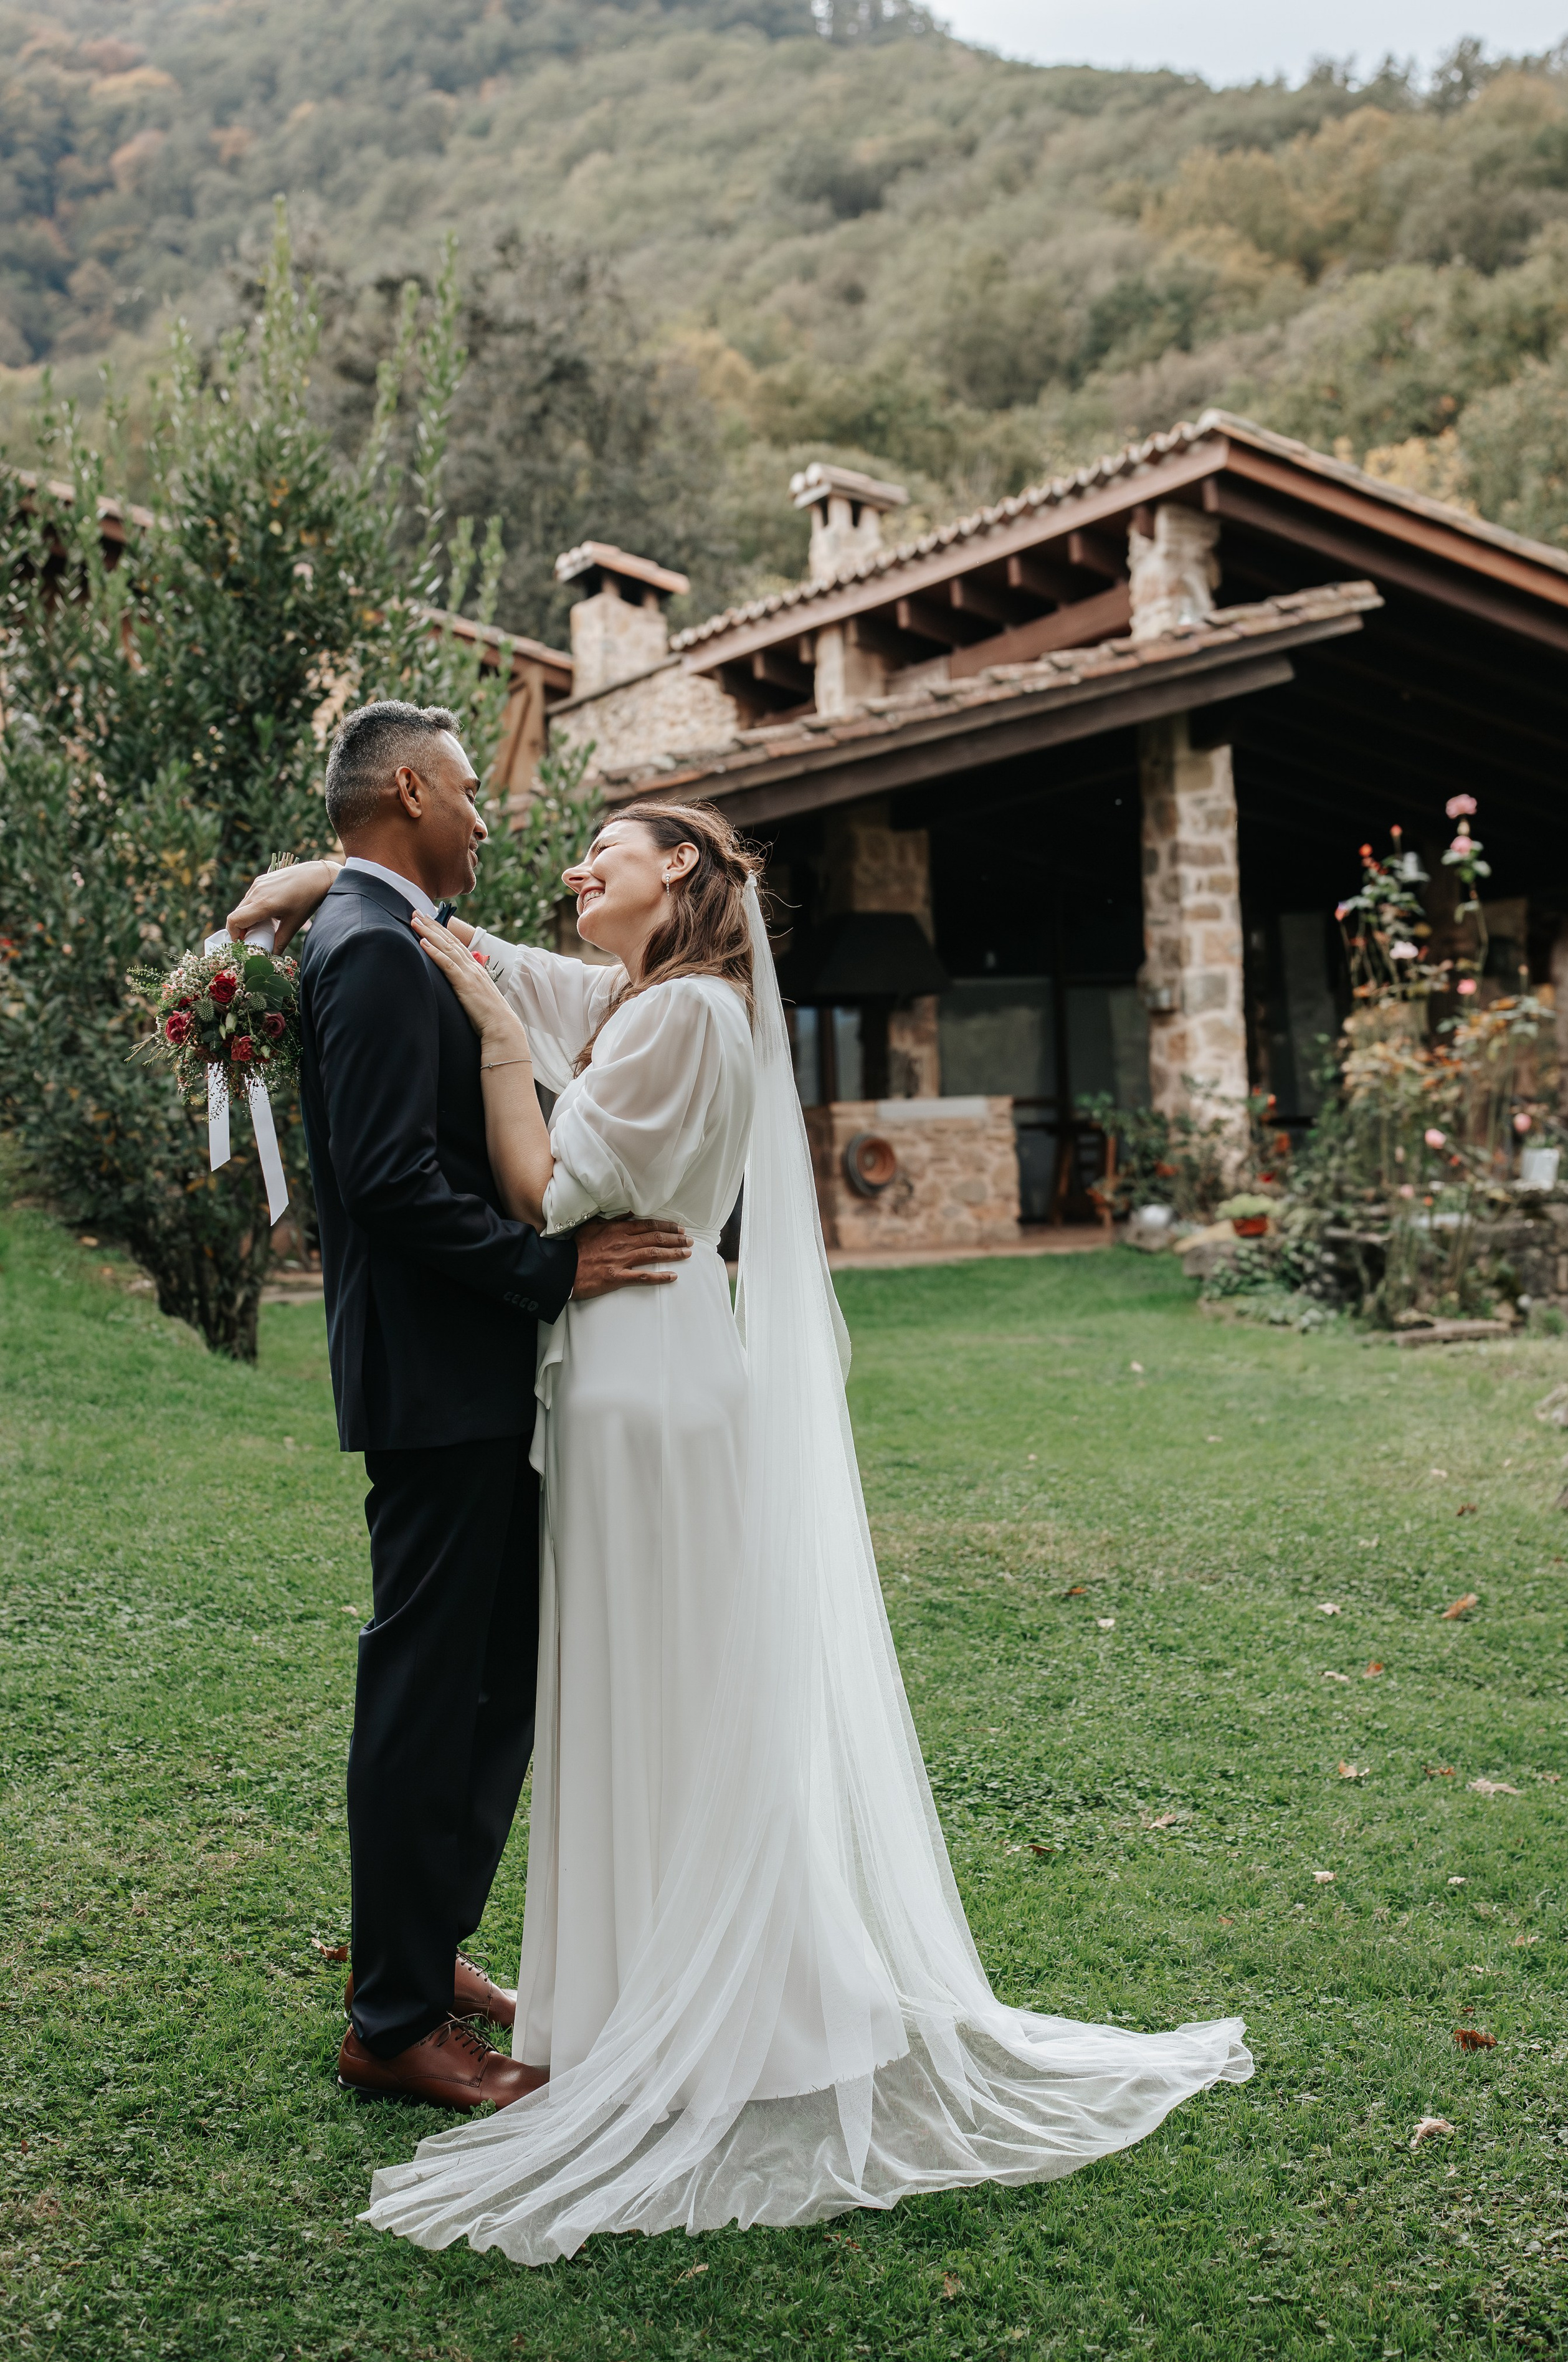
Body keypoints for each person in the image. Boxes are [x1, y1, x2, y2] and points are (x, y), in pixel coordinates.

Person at [237, 791, 1252, 2267]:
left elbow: (546, 1190)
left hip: (642, 1382)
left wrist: (511, 1058)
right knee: (650, 1675)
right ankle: (651, 1970)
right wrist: (330, 873)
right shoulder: (645, 997)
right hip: (632, 1373)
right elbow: (476, 946)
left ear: (685, 874)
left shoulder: (680, 1021)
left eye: (611, 848)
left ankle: (704, 1984)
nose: (578, 864)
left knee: (662, 1680)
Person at [232, 701, 691, 2117]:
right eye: (472, 798)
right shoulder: (367, 951)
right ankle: (389, 2022)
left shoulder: (387, 925)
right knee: (431, 1688)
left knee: (494, 1683)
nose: (490, 821)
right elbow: (385, 1188)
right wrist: (549, 1267)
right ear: (414, 790)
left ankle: (422, 1959)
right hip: (439, 1383)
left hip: (477, 1376)